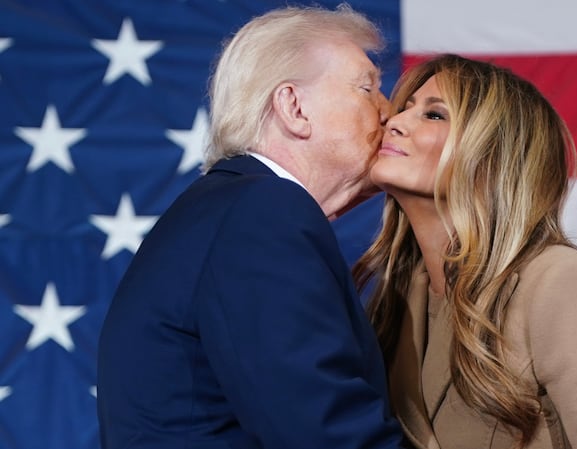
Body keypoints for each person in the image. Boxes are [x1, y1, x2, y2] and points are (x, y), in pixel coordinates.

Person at [96, 5, 405, 449]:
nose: (388, 112)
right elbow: (322, 431)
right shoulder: (263, 211)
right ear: (294, 108)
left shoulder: (229, 206)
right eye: (367, 88)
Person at [353, 54, 577, 449]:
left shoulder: (564, 283)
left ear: (493, 156)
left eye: (434, 115)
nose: (395, 121)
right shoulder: (395, 301)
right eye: (406, 108)